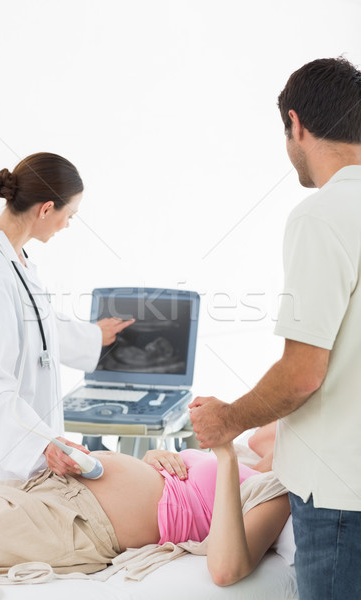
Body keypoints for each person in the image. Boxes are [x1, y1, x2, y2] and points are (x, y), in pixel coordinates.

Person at [189, 57, 361, 599]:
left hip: (342, 501)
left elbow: (302, 375)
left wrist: (228, 421)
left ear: (297, 125)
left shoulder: (324, 214)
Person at [0, 152, 134, 483]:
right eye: (70, 215)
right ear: (45, 209)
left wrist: (94, 336)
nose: (67, 225)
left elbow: (37, 326)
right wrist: (40, 446)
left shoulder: (13, 257)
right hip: (1, 468)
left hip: (31, 457)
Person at [0, 427, 290, 586]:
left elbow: (226, 570)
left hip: (76, 523)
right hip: (50, 485)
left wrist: (225, 455)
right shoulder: (249, 455)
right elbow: (265, 435)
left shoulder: (279, 490)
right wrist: (152, 462)